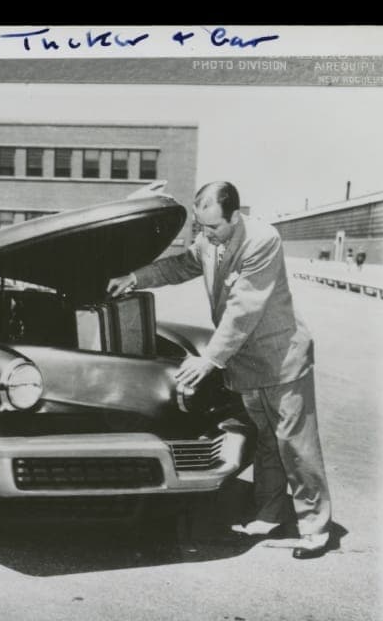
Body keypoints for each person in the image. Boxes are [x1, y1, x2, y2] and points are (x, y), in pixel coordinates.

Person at [107, 182, 333, 559]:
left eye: (212, 227)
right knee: (266, 440)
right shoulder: (209, 241)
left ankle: (315, 529)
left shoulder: (262, 240)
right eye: (200, 226)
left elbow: (244, 308)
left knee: (295, 444)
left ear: (234, 215)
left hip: (281, 359)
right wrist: (136, 278)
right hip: (247, 364)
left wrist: (209, 359)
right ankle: (271, 514)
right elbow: (180, 266)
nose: (205, 235)